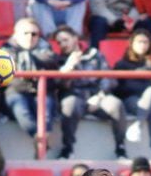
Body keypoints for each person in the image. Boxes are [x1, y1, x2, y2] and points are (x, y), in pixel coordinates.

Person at [55, 25, 128, 159]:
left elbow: (108, 78)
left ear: (75, 38)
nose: (63, 45)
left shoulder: (95, 54)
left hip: (98, 95)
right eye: (59, 42)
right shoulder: (59, 60)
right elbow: (60, 86)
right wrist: (68, 67)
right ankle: (67, 149)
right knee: (69, 105)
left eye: (65, 40)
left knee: (116, 104)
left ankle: (120, 148)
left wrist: (99, 96)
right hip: (75, 96)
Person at [113, 29, 151, 160]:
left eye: (146, 42)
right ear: (132, 44)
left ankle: (138, 124)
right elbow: (116, 89)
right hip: (133, 101)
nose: (143, 45)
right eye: (139, 42)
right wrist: (135, 79)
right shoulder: (122, 64)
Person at [2, 19, 58, 143]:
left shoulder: (47, 49)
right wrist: (32, 57)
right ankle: (40, 142)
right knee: (21, 111)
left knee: (46, 114)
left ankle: (42, 143)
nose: (30, 37)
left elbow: (51, 61)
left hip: (43, 91)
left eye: (34, 34)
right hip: (16, 91)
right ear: (16, 35)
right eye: (25, 33)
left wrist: (28, 56)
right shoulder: (5, 50)